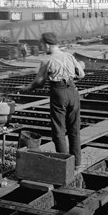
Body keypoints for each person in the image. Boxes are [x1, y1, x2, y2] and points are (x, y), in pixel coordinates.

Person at [19, 32, 85, 167]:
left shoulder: (47, 60)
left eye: (43, 45)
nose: (43, 48)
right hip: (73, 91)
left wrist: (25, 89)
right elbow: (82, 74)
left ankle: (63, 164)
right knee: (74, 129)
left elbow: (39, 82)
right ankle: (77, 163)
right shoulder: (69, 56)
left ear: (47, 45)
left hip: (58, 93)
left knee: (59, 130)